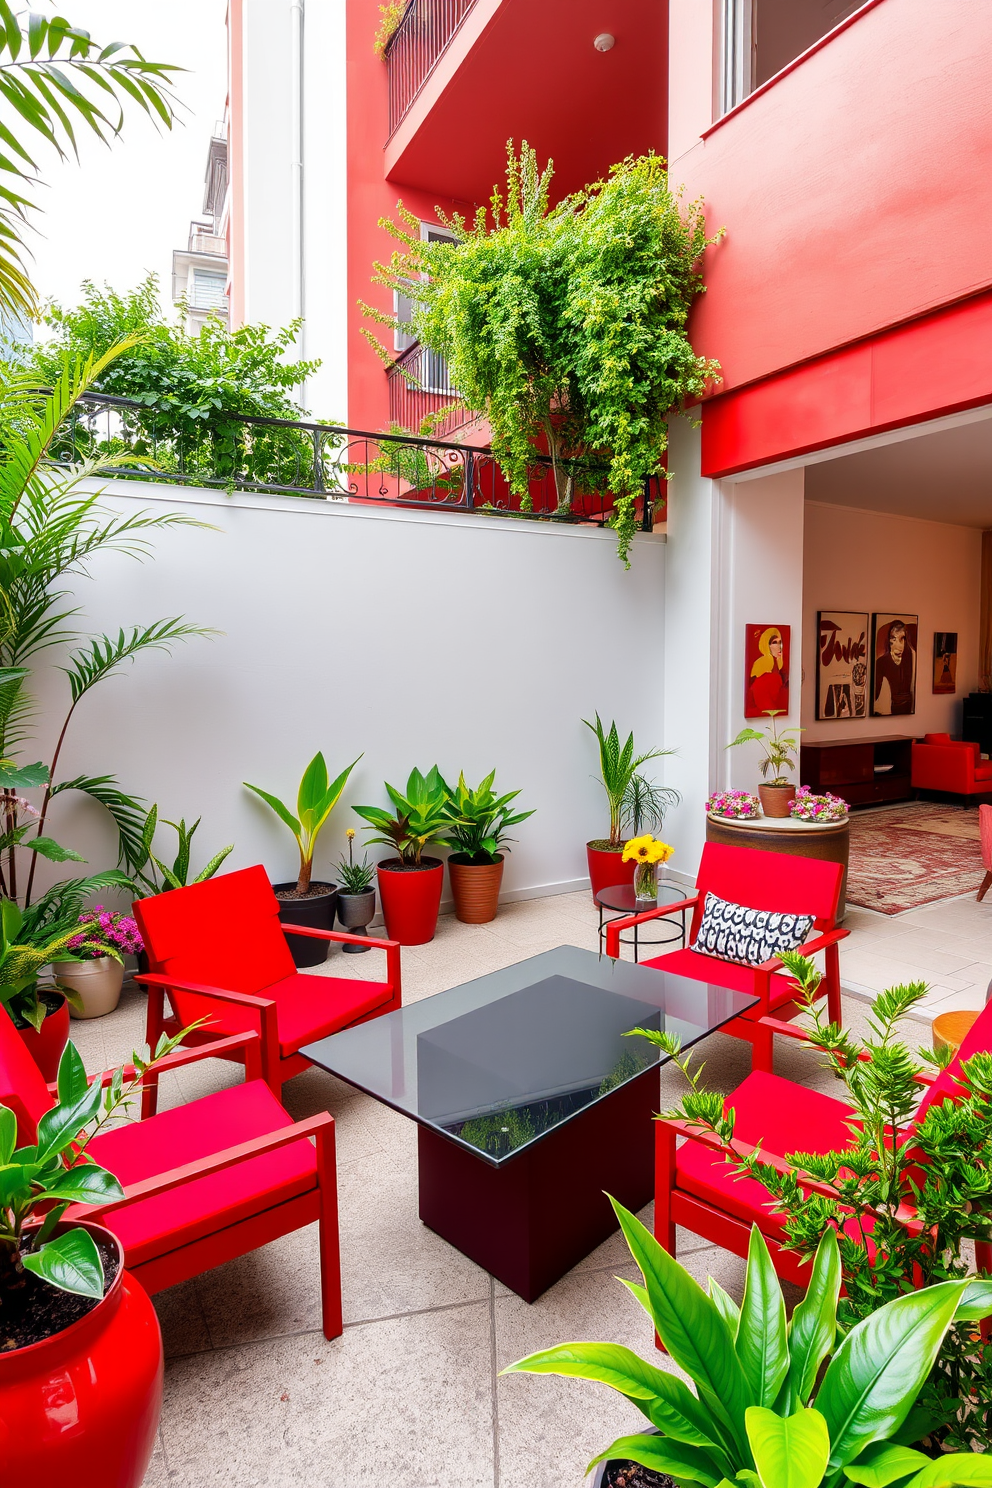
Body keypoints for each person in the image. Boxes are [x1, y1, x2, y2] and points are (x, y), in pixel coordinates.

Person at [874, 620, 915, 714]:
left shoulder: (912, 658)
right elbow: (874, 696)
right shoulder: (881, 663)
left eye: (902, 639)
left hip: (908, 712)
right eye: (893, 639)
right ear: (888, 640)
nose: (899, 646)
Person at [747, 626, 788, 715]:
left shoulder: (779, 666)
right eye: (775, 643)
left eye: (780, 642)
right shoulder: (760, 665)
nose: (779, 646)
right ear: (767, 645)